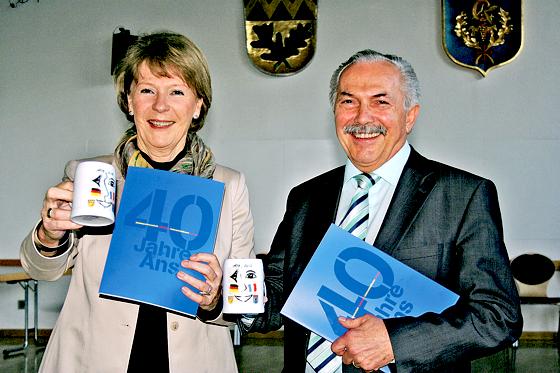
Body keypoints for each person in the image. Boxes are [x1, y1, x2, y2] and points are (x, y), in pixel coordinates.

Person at [242, 49, 522, 372]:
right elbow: (279, 290)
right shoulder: (306, 197)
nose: (362, 118)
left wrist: (394, 342)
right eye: (348, 101)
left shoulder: (462, 196)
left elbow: (498, 315)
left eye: (380, 102)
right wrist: (224, 294)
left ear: (410, 115)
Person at [20, 31, 255, 372]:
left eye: (177, 91)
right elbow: (39, 268)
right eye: (147, 90)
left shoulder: (229, 186)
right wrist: (49, 233)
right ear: (129, 101)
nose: (161, 106)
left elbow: (242, 306)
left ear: (198, 104)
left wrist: (215, 299)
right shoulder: (93, 175)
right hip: (94, 360)